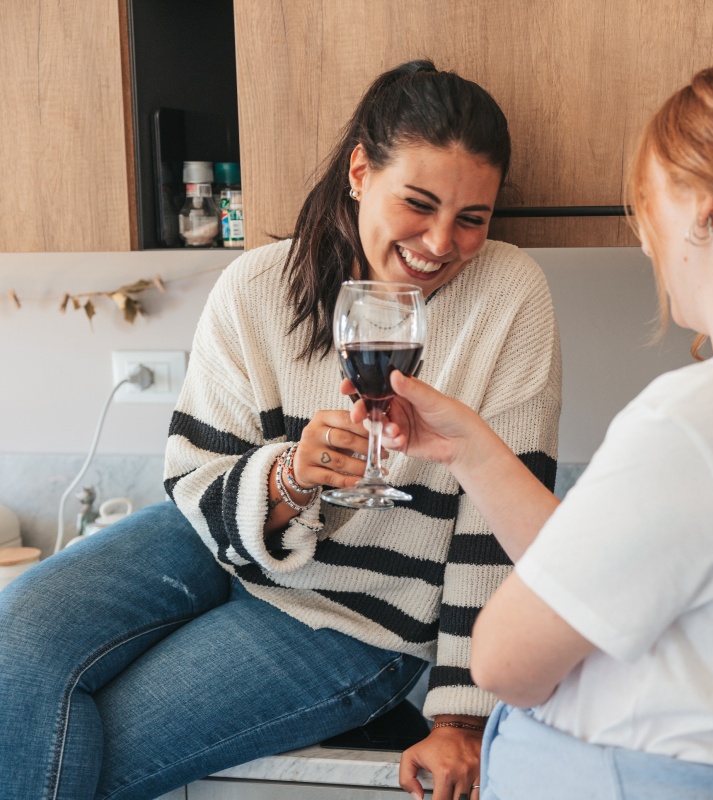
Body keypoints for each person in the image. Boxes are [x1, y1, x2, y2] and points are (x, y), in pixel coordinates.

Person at [353, 55, 713, 799]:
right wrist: (468, 448)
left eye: (647, 202)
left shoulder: (696, 418)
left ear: (702, 206)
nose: (646, 236)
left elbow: (502, 662)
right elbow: (611, 581)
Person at [0, 61, 561, 800]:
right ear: (361, 171)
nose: (440, 242)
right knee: (14, 647)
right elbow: (194, 470)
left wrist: (460, 715)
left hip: (352, 619)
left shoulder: (510, 296)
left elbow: (499, 530)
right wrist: (288, 478)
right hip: (208, 547)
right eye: (418, 204)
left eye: (472, 219)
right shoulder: (256, 286)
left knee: (88, 746)